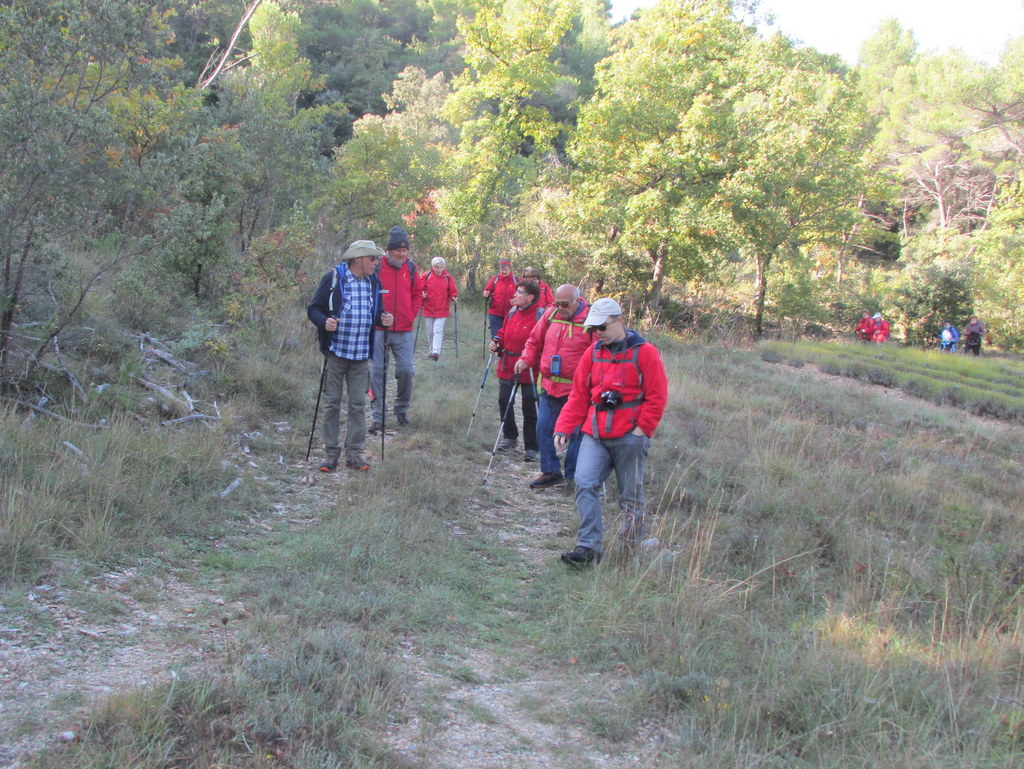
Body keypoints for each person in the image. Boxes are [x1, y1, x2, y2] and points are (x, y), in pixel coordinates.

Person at [553, 298, 668, 566]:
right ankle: (588, 548)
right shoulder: (593, 353)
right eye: (593, 329)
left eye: (602, 327)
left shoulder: (645, 352)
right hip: (595, 434)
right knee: (584, 483)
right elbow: (579, 395)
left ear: (618, 319)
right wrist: (564, 427)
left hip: (630, 436)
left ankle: (630, 550)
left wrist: (642, 429)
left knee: (630, 496)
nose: (597, 333)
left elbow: (657, 396)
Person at [307, 240, 393, 472]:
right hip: (336, 352)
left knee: (357, 405)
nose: (377, 263)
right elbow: (313, 309)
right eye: (373, 258)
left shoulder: (374, 281)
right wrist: (324, 322)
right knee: (332, 403)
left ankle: (354, 454)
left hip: (360, 355)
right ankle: (330, 453)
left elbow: (376, 314)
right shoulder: (334, 278)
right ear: (358, 259)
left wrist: (384, 317)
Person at [515, 285, 592, 489]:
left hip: (577, 391)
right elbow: (534, 342)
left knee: (575, 433)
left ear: (577, 301)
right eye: (556, 303)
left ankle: (573, 476)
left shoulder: (590, 322)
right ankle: (550, 471)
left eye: (564, 304)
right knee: (544, 428)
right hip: (549, 385)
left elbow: (600, 355)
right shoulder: (550, 315)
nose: (560, 308)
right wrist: (526, 359)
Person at [369, 226, 423, 432]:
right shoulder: (376, 266)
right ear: (389, 250)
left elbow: (418, 294)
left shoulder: (410, 268)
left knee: (406, 370)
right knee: (377, 372)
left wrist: (411, 313)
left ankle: (401, 408)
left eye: (405, 250)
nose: (402, 254)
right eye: (398, 250)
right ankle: (378, 417)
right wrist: (376, 316)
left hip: (403, 329)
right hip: (379, 328)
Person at [489, 282, 544, 461]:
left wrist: (529, 360)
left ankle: (531, 446)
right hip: (508, 363)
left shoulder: (540, 316)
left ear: (530, 297)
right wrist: (497, 341)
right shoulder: (512, 312)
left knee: (530, 406)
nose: (516, 294)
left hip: (530, 368)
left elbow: (543, 343)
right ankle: (510, 436)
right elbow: (503, 332)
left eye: (520, 292)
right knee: (504, 400)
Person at [422, 256, 458, 361]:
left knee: (437, 330)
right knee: (430, 332)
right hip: (429, 308)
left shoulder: (448, 277)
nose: (439, 269)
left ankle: (436, 352)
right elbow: (420, 286)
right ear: (432, 267)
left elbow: (452, 290)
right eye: (436, 267)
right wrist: (422, 293)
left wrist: (454, 297)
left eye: (441, 267)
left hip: (442, 309)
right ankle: (431, 350)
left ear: (444, 267)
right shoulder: (427, 275)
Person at [483, 258, 519, 338]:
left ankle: (505, 350)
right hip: (495, 313)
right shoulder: (495, 279)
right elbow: (487, 290)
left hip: (511, 313)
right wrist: (486, 293)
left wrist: (517, 300)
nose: (504, 272)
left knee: (508, 335)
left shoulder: (516, 280)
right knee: (496, 335)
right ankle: (495, 350)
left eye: (506, 269)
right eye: (502, 269)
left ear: (510, 268)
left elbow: (522, 294)